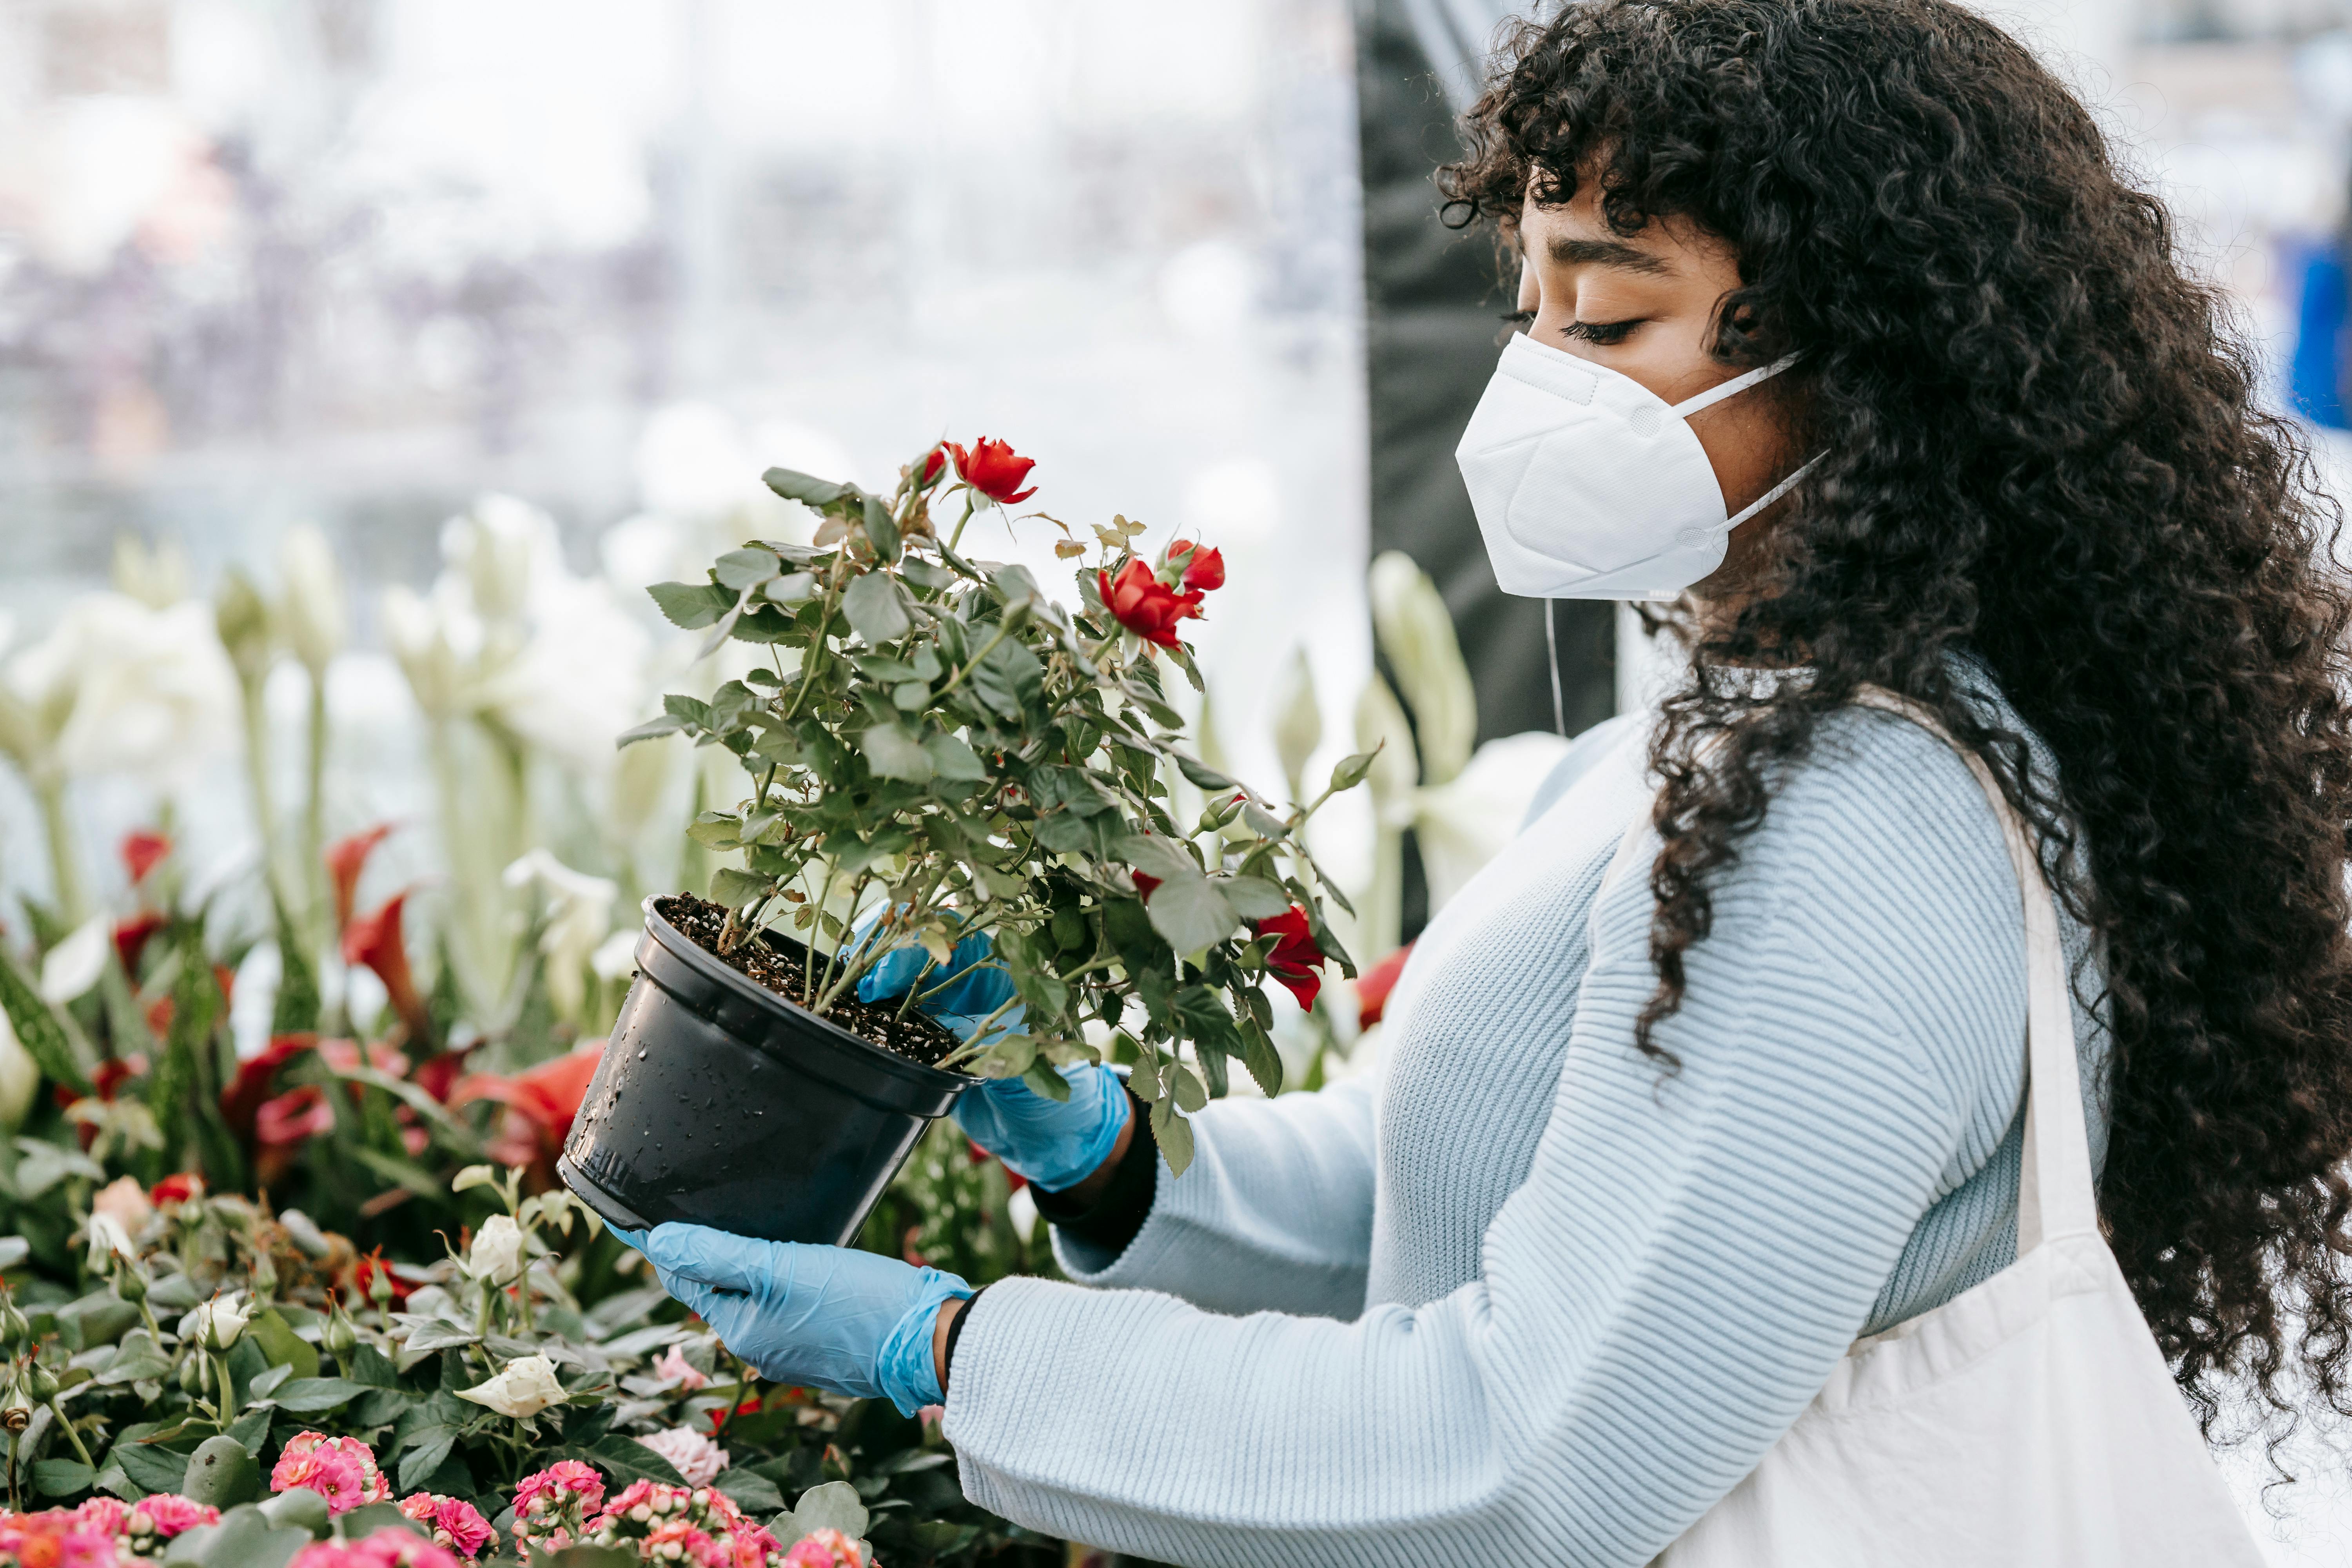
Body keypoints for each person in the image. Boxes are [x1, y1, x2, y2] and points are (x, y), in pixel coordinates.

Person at [622, 2, 2352, 1561]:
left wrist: (950, 1348)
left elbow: (1531, 1454)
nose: (1535, 388)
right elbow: (1481, 1185)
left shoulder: (1853, 826)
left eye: (1607, 316)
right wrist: (1117, 1162)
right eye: (1530, 314)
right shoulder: (1716, 727)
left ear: (1871, 356)